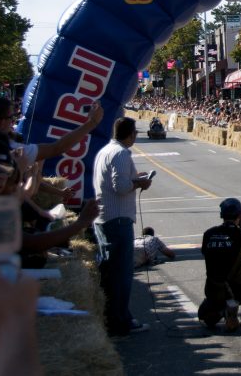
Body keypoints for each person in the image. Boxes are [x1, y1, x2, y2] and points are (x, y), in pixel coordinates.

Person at [92, 116, 153, 336]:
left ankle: (112, 317)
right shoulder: (121, 153)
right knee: (121, 273)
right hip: (117, 218)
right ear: (131, 133)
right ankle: (121, 320)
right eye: (135, 132)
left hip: (105, 216)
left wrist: (136, 178)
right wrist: (140, 182)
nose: (136, 136)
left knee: (110, 272)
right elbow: (121, 186)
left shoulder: (105, 151)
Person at [198, 198, 241, 331]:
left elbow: (207, 255)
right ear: (240, 215)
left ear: (222, 215)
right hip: (237, 289)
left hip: (213, 288)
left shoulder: (208, 234)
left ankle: (223, 309)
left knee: (206, 317)